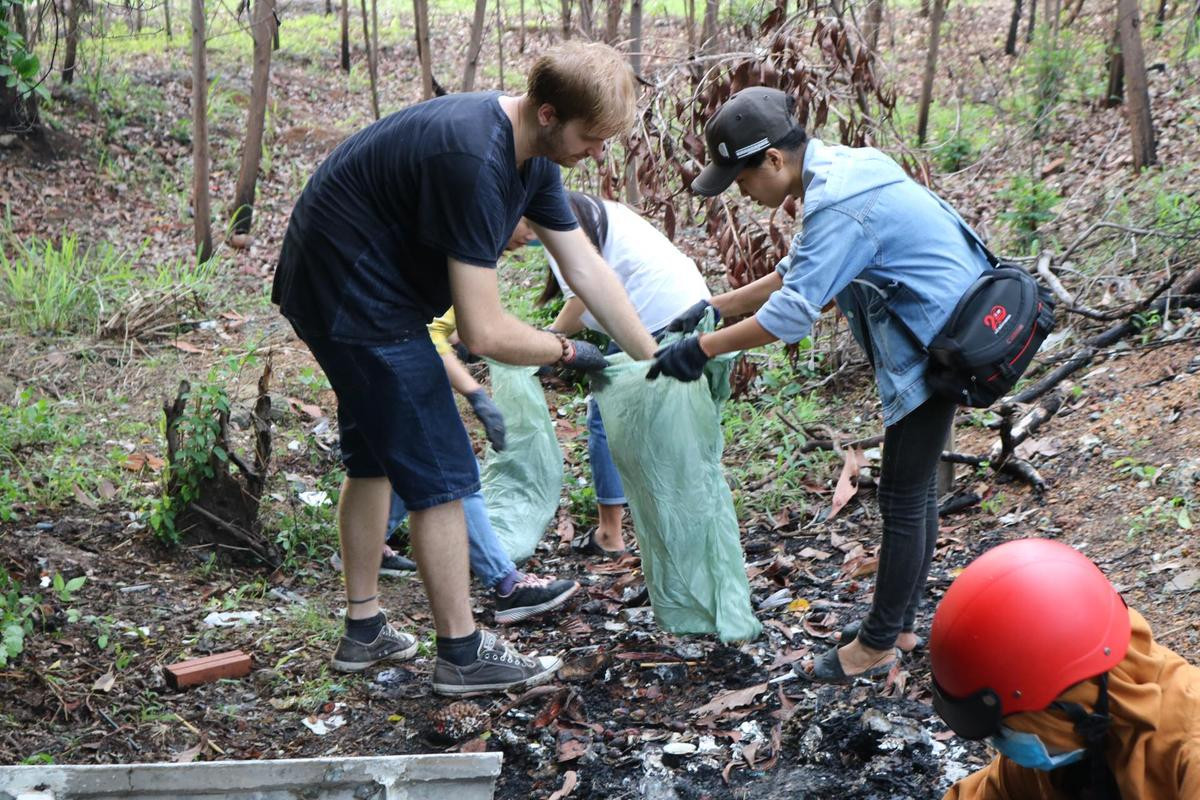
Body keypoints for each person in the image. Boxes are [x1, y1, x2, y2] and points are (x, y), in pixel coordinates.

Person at [271, 41, 657, 695]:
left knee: (376, 458)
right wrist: (568, 350)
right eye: (591, 138)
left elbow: (587, 266)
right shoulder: (476, 161)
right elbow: (483, 330)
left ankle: (364, 630)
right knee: (444, 475)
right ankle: (461, 652)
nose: (597, 153)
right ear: (546, 112)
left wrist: (654, 357)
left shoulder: (528, 157)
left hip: (354, 282)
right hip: (351, 290)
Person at [649, 86, 990, 683]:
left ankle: (879, 642)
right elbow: (795, 272)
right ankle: (902, 626)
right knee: (913, 493)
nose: (744, 194)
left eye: (741, 179)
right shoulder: (845, 168)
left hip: (944, 347)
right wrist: (711, 307)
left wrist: (698, 350)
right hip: (946, 332)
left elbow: (790, 314)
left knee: (904, 498)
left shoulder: (840, 203)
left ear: (774, 161)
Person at [509, 191, 711, 557]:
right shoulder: (587, 211)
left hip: (657, 317)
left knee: (606, 417)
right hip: (689, 306)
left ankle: (610, 534)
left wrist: (542, 345)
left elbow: (582, 298)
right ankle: (679, 522)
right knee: (664, 423)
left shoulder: (559, 225)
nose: (519, 239)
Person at [931, 537, 1200, 799]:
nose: (1005, 746)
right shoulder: (1074, 731)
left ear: (1069, 702)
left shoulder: (1188, 753)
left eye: (1004, 731)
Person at [384, 308, 581, 625]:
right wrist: (476, 394)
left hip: (365, 353)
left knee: (396, 459)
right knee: (457, 474)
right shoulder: (453, 275)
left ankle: (371, 545)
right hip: (396, 363)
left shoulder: (451, 286)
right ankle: (506, 585)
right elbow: (434, 335)